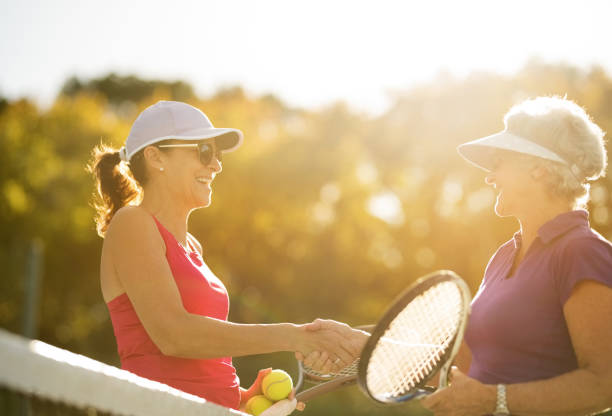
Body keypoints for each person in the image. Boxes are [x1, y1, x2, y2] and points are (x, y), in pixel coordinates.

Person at [89, 100, 368, 413]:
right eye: (204, 151)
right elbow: (174, 336)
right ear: (156, 157)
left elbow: (200, 365)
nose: (216, 165)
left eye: (217, 154)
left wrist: (245, 398)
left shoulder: (193, 247)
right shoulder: (131, 223)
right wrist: (295, 337)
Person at [420, 96, 612, 415]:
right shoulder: (504, 256)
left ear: (537, 168)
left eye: (499, 164)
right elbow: (463, 364)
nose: (489, 177)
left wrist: (492, 402)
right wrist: (360, 347)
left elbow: (605, 383)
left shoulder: (583, 251)